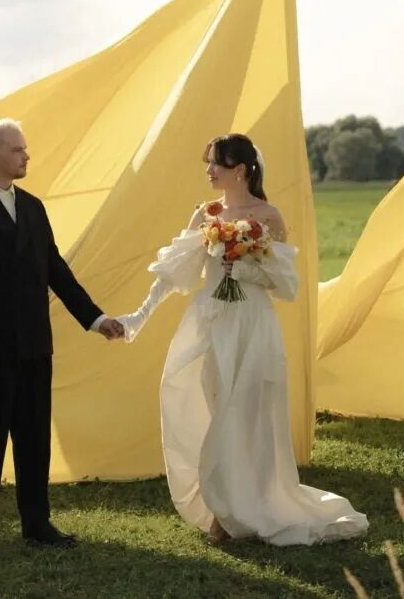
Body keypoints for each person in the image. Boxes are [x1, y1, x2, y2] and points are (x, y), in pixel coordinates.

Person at [117, 133, 368, 546]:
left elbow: (285, 285)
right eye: (209, 162)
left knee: (246, 415)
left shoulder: (268, 216)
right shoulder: (205, 214)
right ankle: (223, 506)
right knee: (215, 409)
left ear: (239, 170)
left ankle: (237, 511)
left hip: (251, 323)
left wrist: (245, 268)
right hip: (211, 321)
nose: (208, 171)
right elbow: (174, 272)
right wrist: (138, 316)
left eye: (215, 163)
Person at [0, 118, 123, 558]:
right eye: (18, 149)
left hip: (35, 345)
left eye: (24, 148)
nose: (26, 156)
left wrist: (96, 318)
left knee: (34, 437)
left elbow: (55, 270)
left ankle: (37, 524)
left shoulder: (34, 207)